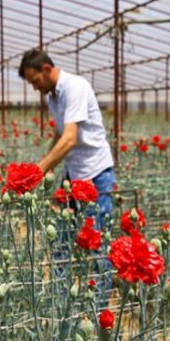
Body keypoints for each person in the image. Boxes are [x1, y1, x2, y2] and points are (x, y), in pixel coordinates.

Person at [18, 49, 116, 303]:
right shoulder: (53, 97)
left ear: (47, 69)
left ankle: (99, 307)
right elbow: (61, 135)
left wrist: (38, 171)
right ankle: (62, 301)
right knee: (60, 239)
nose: (35, 88)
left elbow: (71, 138)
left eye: (35, 81)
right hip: (73, 175)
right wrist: (47, 167)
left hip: (96, 173)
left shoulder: (75, 87)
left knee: (95, 244)